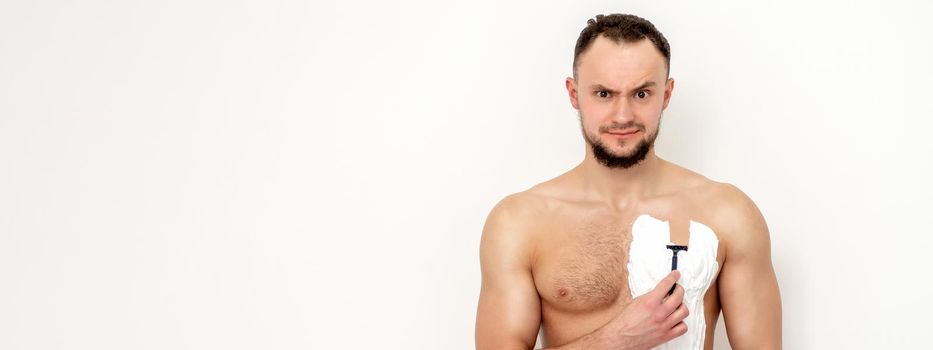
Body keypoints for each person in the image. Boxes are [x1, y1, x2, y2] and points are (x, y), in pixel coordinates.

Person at [474, 14, 782, 350]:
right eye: (604, 93)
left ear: (666, 94)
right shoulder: (520, 222)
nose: (622, 116)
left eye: (641, 94)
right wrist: (617, 339)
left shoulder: (728, 215)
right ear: (574, 94)